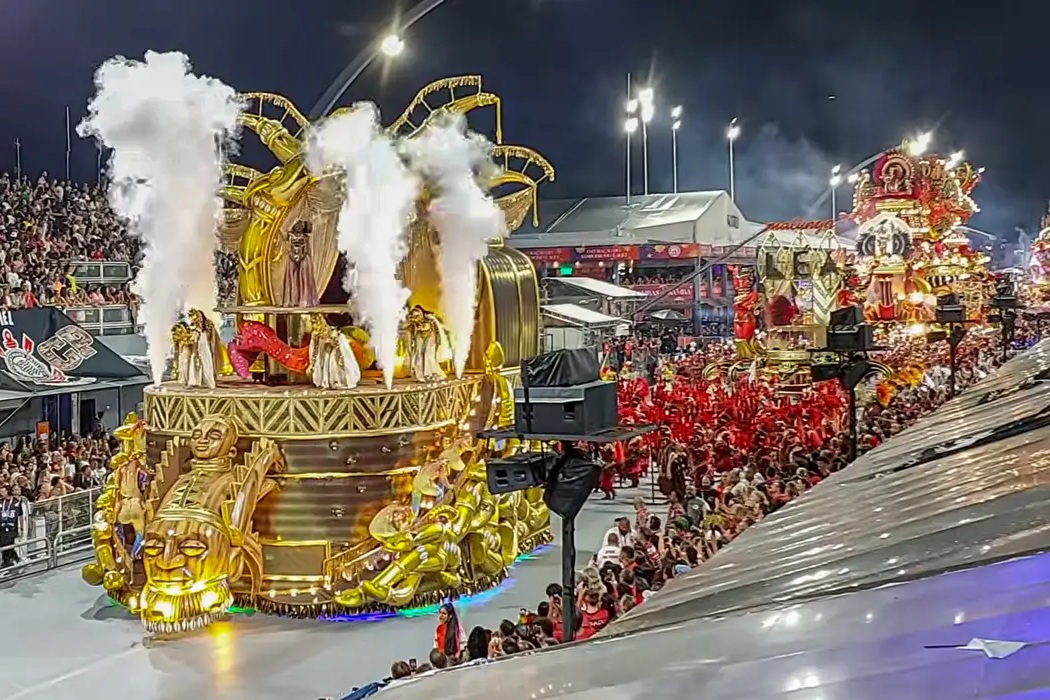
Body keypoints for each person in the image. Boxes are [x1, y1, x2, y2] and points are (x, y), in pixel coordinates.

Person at [0, 484, 24, 568]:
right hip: (2, 527)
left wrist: (21, 527)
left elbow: (20, 515)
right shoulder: (1, 501)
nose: (1, 493)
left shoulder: (16, 501)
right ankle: (10, 560)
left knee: (8, 543)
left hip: (12, 527)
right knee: (2, 544)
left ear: (8, 491)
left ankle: (11, 560)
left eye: (3, 491)